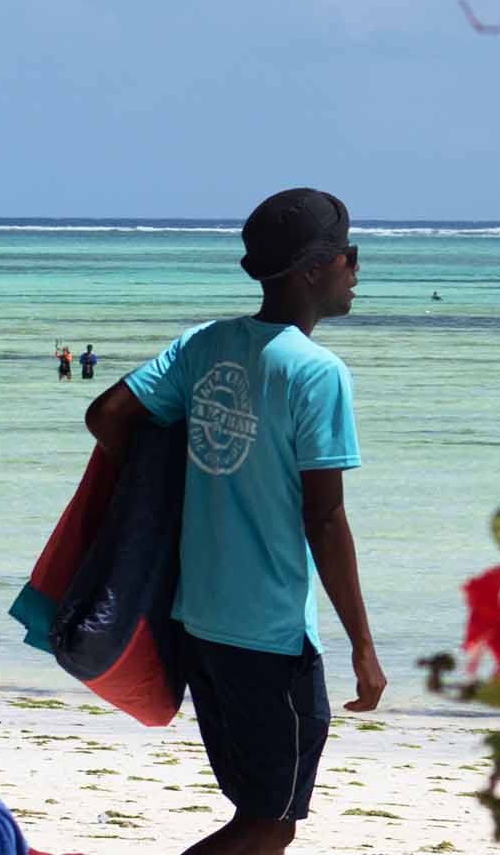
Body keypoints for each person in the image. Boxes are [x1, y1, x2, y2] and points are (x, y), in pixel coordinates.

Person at [84, 188, 382, 855]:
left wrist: (169, 478)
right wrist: (363, 645)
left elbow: (105, 417)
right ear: (312, 270)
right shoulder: (317, 374)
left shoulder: (204, 344)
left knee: (256, 808)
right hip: (271, 637)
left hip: (197, 623)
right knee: (269, 824)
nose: (357, 269)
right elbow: (326, 519)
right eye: (349, 256)